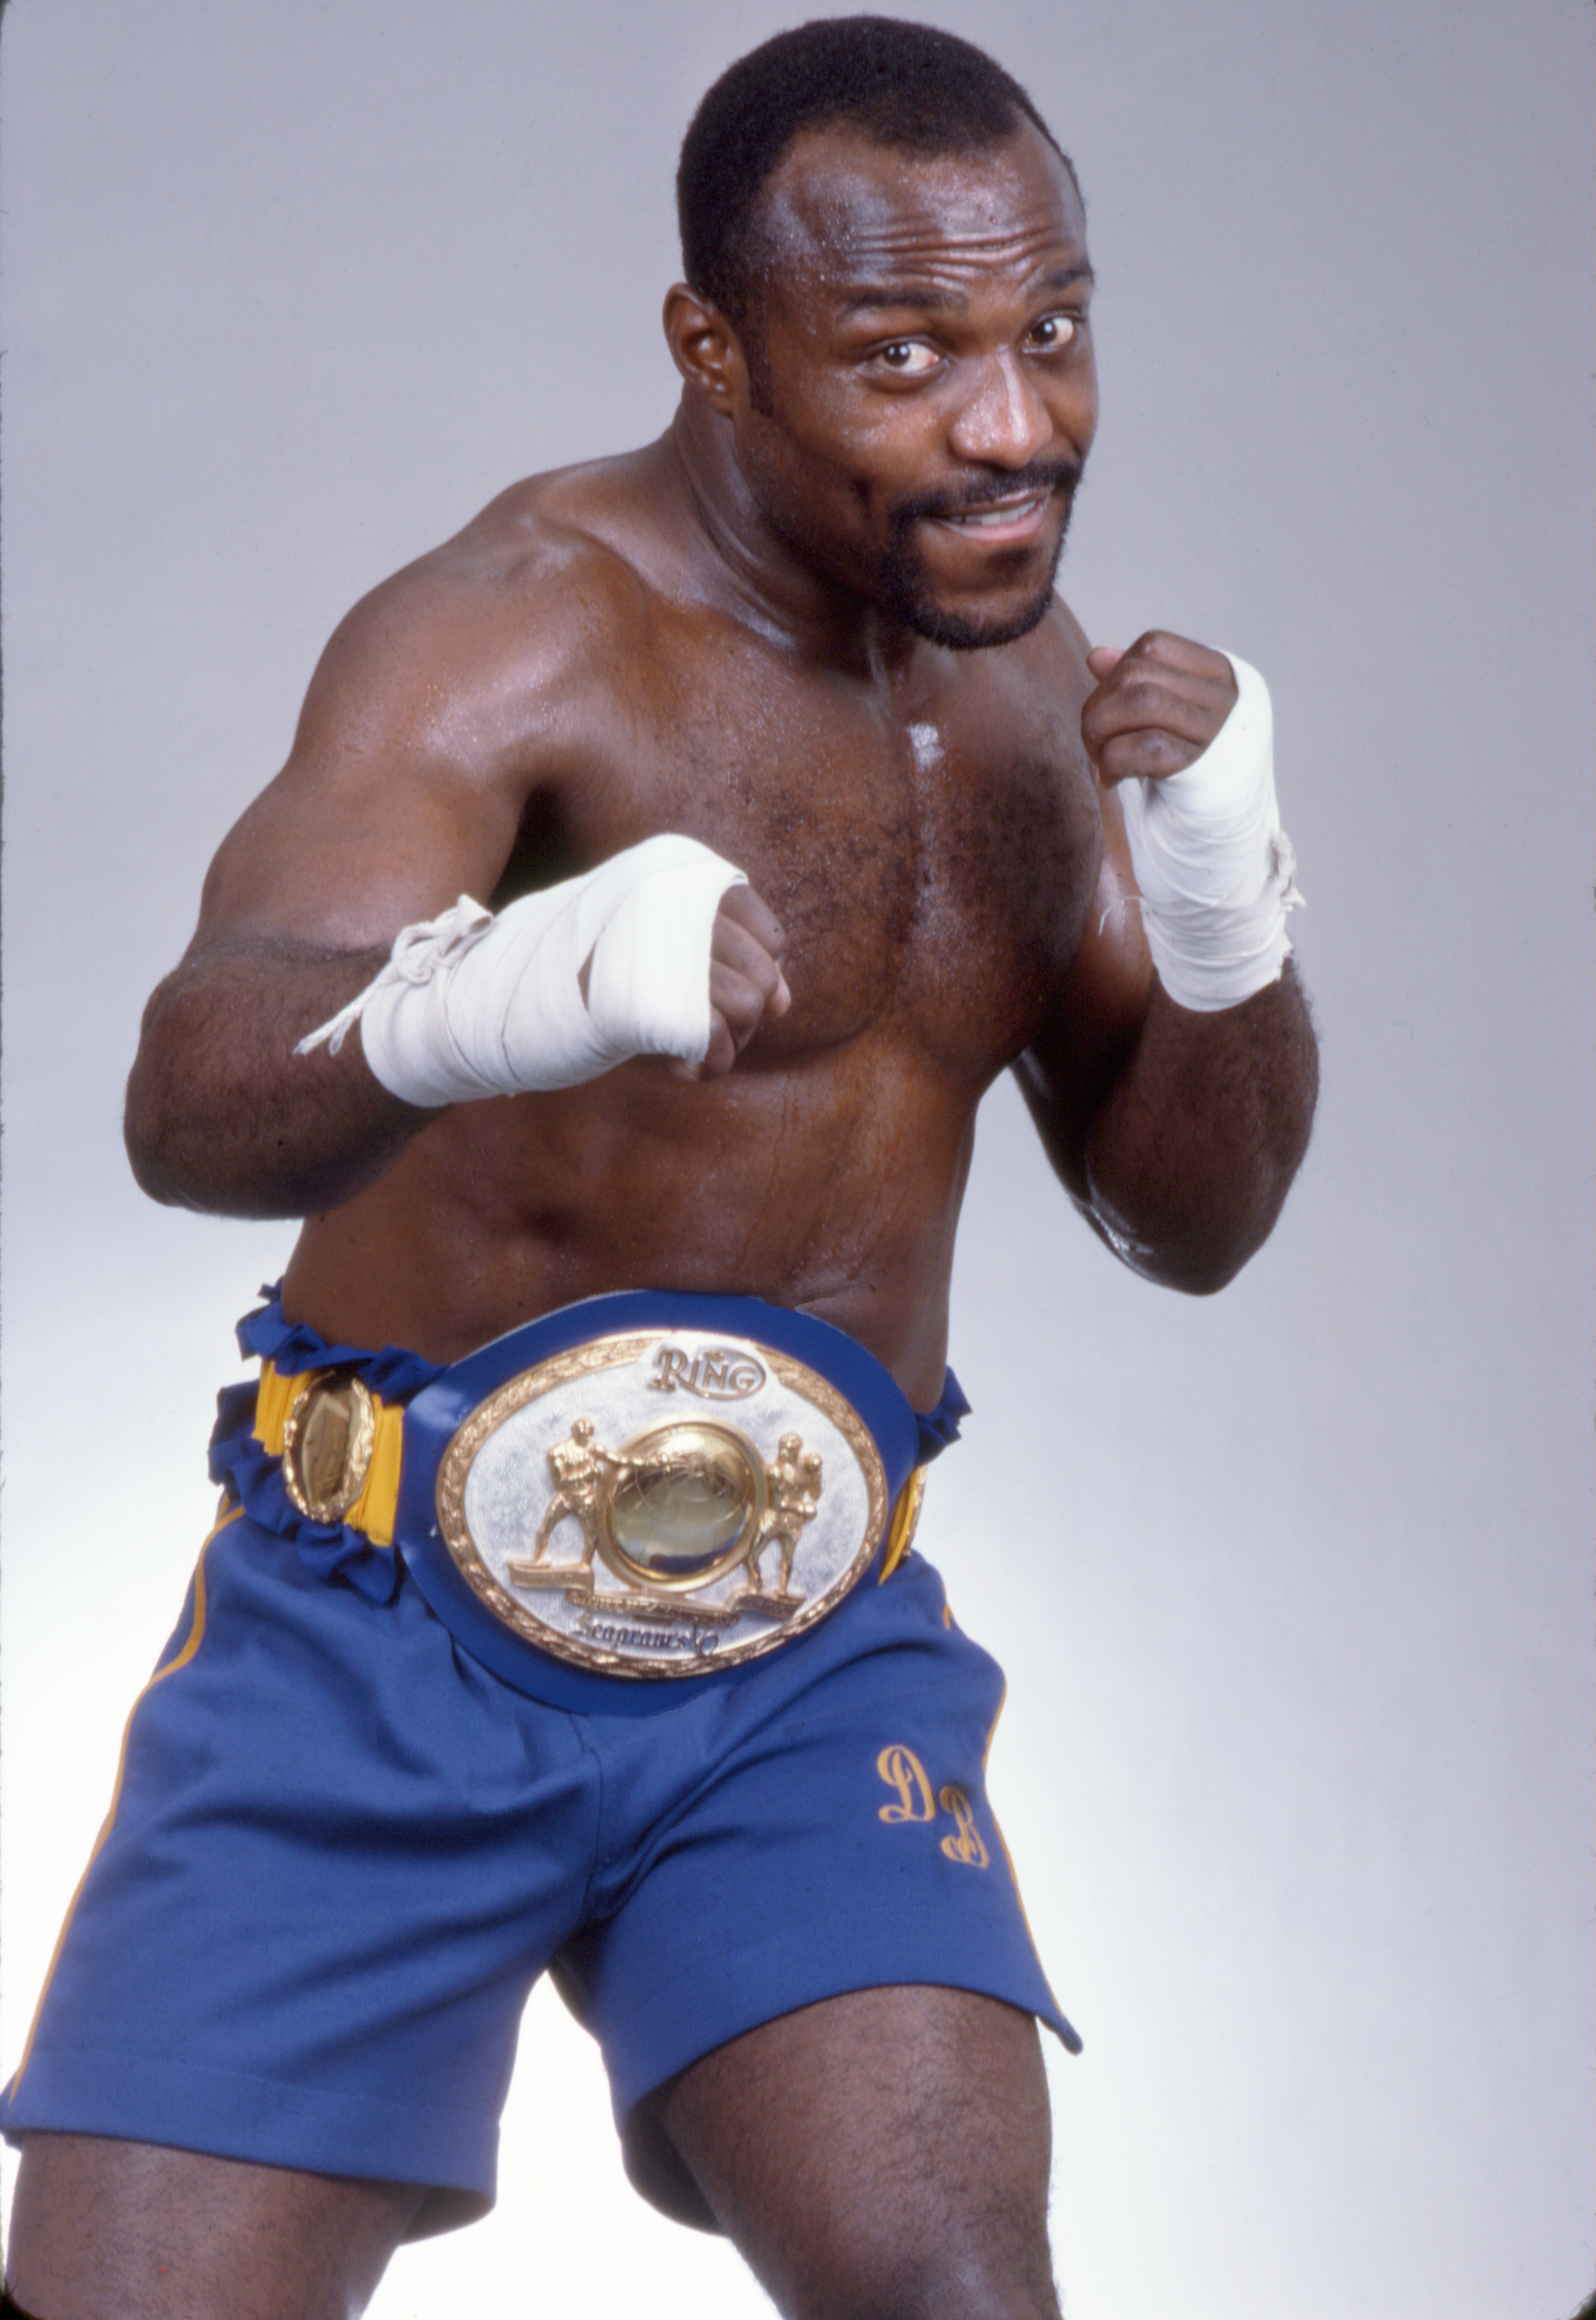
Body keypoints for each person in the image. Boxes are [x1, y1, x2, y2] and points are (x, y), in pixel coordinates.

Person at [0, 16, 1317, 2318]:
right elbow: (184, 1099)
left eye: (1052, 332)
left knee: (955, 2289)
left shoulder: (1032, 689)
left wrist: (1229, 919)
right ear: (716, 347)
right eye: (902, 355)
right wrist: (486, 995)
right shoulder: (513, 633)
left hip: (801, 1661)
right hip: (375, 1635)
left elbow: (1185, 1220)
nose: (1011, 426)